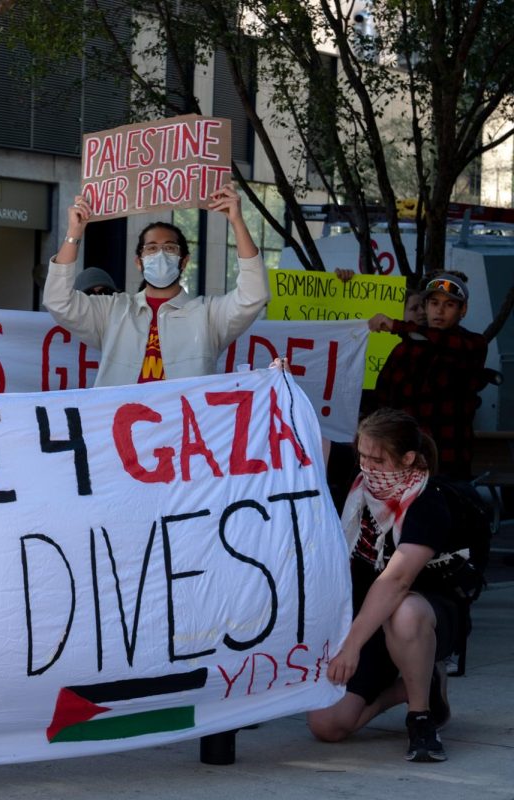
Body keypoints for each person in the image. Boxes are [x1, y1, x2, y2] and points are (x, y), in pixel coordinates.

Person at [307, 408, 456, 763]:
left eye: (378, 459)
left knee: (403, 611)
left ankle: (420, 717)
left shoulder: (428, 501)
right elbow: (301, 440)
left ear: (407, 459)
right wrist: (275, 386)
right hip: (368, 618)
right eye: (362, 455)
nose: (367, 467)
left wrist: (351, 646)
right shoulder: (359, 473)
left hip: (424, 614)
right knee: (327, 726)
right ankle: (407, 686)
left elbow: (397, 581)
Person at [43, 184, 268, 386]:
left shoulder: (208, 315)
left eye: (170, 248)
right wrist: (74, 232)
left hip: (182, 427)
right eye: (151, 248)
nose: (160, 254)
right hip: (119, 426)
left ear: (185, 260)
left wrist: (237, 221)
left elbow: (254, 294)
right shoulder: (113, 311)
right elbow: (58, 301)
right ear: (138, 262)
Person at [369, 271, 489, 479]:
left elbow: (445, 342)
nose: (439, 310)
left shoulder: (473, 344)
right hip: (405, 457)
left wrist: (397, 325)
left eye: (449, 304)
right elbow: (382, 399)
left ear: (463, 310)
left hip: (451, 461)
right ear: (426, 307)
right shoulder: (403, 349)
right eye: (434, 303)